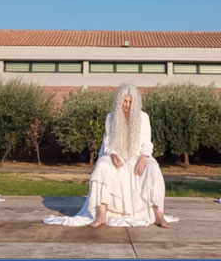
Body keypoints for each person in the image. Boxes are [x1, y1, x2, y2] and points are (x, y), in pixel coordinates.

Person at [44, 84, 177, 228]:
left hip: (137, 158)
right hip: (117, 157)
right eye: (124, 101)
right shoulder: (111, 117)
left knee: (153, 167)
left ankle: (158, 216)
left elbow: (147, 143)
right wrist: (113, 156)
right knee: (102, 165)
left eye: (130, 102)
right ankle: (101, 216)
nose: (127, 105)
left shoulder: (143, 117)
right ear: (119, 101)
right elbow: (108, 143)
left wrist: (144, 158)